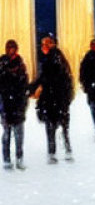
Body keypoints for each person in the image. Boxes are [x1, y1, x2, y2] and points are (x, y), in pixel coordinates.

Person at [27, 34, 74, 163]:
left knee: (52, 126)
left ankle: (53, 153)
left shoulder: (53, 59)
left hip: (54, 99)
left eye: (47, 43)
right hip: (58, 99)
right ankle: (66, 151)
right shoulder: (57, 58)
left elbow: (46, 78)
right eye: (42, 44)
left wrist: (32, 88)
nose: (44, 46)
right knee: (61, 126)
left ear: (53, 44)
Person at [0, 40, 29, 169]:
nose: (11, 50)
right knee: (6, 133)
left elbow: (24, 84)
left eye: (13, 48)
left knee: (19, 134)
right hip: (6, 103)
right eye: (9, 48)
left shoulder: (21, 64)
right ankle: (6, 159)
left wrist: (24, 99)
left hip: (18, 103)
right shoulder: (2, 63)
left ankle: (19, 158)